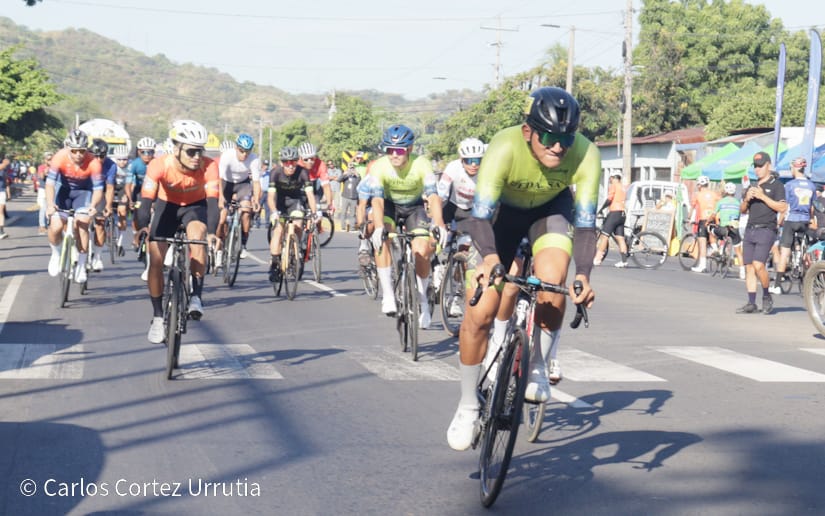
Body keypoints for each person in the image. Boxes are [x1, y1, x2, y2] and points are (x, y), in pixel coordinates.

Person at [446, 87, 597, 451]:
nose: (558, 147)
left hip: (550, 212)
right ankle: (468, 404)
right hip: (500, 218)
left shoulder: (586, 154)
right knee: (479, 312)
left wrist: (584, 275)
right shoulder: (504, 146)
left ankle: (538, 365)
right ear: (529, 132)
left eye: (565, 138)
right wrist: (490, 258)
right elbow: (479, 216)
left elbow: (587, 224)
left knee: (553, 281)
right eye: (548, 137)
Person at [135, 120, 219, 343]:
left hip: (195, 207)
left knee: (197, 238)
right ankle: (157, 317)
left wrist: (212, 233)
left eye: (200, 151)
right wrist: (143, 228)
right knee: (155, 259)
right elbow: (145, 203)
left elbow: (212, 203)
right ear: (176, 149)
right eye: (191, 151)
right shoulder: (159, 165)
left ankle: (196, 298)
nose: (197, 157)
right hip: (167, 207)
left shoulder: (209, 166)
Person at [360, 124, 447, 328]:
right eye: (389, 150)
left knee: (421, 250)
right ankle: (388, 295)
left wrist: (440, 223)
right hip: (389, 206)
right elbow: (378, 201)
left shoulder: (422, 164)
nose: (394, 155)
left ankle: (423, 301)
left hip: (414, 208)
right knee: (381, 241)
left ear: (409, 149)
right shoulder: (380, 166)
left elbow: (433, 196)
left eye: (399, 150)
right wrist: (380, 226)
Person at [45, 129, 105, 282]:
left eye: (82, 151)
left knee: (83, 224)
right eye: (74, 150)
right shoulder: (59, 157)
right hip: (63, 191)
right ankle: (56, 254)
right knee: (56, 225)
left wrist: (93, 205)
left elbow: (98, 190)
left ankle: (81, 266)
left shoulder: (94, 162)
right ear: (68, 149)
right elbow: (50, 184)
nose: (78, 154)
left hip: (83, 193)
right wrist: (50, 204)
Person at [436, 137, 486, 317]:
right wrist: (438, 222)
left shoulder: (487, 171)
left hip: (472, 210)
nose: (474, 165)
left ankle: (457, 295)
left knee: (465, 247)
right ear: (461, 160)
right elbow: (440, 195)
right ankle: (438, 264)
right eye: (469, 161)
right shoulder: (453, 168)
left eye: (478, 160)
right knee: (436, 233)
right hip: (451, 206)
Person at [738, 151, 786, 314]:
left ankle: (766, 295)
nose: (757, 169)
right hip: (750, 228)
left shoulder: (776, 185)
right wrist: (746, 199)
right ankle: (751, 302)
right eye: (755, 166)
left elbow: (782, 207)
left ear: (768, 166)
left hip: (767, 229)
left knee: (759, 265)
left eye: (760, 166)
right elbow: (743, 210)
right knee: (749, 267)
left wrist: (763, 196)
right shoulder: (752, 186)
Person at [266, 146, 319, 282]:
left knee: (298, 223)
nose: (290, 166)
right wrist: (273, 212)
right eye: (286, 163)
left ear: (297, 161)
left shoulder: (303, 172)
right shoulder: (275, 173)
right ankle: (274, 263)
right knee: (278, 230)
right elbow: (271, 197)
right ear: (282, 163)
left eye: (293, 162)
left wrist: (314, 213)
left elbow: (310, 195)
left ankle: (296, 248)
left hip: (295, 201)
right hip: (279, 202)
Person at [770, 157, 816, 294]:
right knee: (806, 251)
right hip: (805, 220)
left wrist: (779, 223)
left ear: (795, 168)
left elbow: (785, 207)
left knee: (784, 251)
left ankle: (777, 285)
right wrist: (810, 218)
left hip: (792, 219)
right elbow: (812, 208)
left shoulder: (789, 185)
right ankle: (809, 277)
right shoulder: (812, 185)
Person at [217, 133, 261, 261]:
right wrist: (221, 197)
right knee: (222, 217)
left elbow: (257, 182)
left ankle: (243, 245)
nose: (244, 155)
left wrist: (256, 200)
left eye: (247, 152)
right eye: (241, 151)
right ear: (236, 148)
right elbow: (220, 178)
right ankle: (219, 249)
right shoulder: (227, 156)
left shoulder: (254, 159)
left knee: (246, 211)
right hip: (226, 184)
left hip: (242, 184)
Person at [89, 138, 117, 271]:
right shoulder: (84, 163)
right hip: (85, 191)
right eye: (95, 156)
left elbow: (110, 188)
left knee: (100, 223)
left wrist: (108, 206)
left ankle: (98, 257)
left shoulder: (111, 165)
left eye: (102, 156)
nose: (99, 159)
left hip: (101, 192)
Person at [594, 171, 628, 267]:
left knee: (604, 236)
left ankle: (597, 259)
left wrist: (601, 209)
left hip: (614, 213)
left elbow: (610, 199)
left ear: (613, 178)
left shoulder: (614, 185)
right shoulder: (623, 187)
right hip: (622, 214)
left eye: (610, 178)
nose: (609, 180)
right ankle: (624, 261)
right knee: (620, 238)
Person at [711, 182, 744, 276]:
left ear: (725, 191)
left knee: (711, 230)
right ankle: (742, 272)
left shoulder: (721, 202)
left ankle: (716, 249)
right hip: (734, 228)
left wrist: (707, 222)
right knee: (738, 251)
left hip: (723, 228)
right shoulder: (738, 203)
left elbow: (713, 215)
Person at [689, 175, 720, 273]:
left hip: (703, 220)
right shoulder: (715, 194)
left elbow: (693, 207)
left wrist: (689, 218)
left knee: (702, 243)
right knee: (712, 238)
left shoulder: (697, 194)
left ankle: (702, 266)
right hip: (713, 219)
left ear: (699, 185)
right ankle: (717, 250)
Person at [126, 136, 156, 232]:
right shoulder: (134, 164)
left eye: (150, 152)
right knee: (137, 212)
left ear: (153, 153)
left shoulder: (157, 163)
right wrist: (130, 199)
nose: (147, 155)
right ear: (139, 152)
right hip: (139, 191)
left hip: (154, 190)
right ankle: (136, 234)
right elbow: (128, 184)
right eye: (144, 152)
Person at [297, 142, 333, 213]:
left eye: (312, 158)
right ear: (300, 158)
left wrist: (329, 204)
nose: (309, 161)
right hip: (300, 190)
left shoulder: (321, 164)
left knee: (318, 216)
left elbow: (326, 186)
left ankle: (317, 223)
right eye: (306, 159)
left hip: (315, 191)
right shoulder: (297, 165)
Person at [339, 152, 366, 232]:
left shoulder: (364, 165)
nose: (358, 160)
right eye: (357, 158)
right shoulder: (351, 166)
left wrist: (356, 174)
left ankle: (353, 227)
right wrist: (346, 172)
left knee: (354, 212)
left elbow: (360, 179)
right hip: (346, 194)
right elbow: (349, 163)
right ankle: (343, 227)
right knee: (343, 212)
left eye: (360, 158)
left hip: (358, 191)